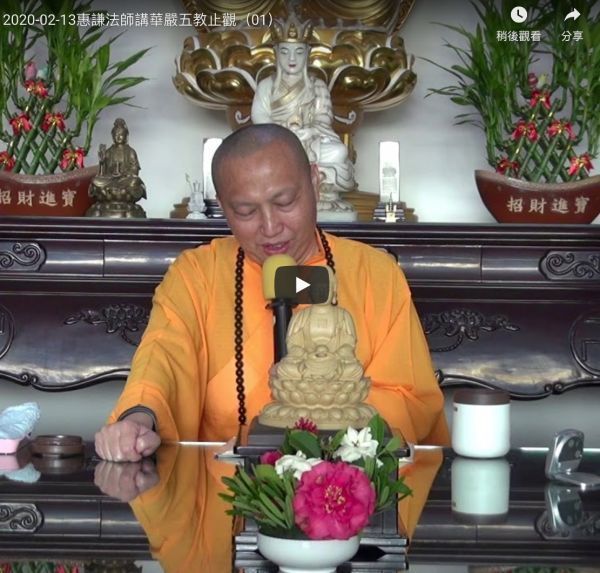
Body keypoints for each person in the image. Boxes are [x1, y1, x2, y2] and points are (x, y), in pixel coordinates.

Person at [94, 123, 449, 462]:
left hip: (346, 488)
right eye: (246, 211)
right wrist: (138, 419)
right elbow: (161, 361)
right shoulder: (197, 276)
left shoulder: (374, 274)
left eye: (284, 202)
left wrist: (313, 431)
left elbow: (408, 397)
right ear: (223, 206)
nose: (270, 227)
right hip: (227, 487)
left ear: (315, 182)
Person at [251, 13, 356, 216]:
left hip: (310, 142)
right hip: (277, 145)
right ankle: (296, 191)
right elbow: (259, 118)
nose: (292, 59)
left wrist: (310, 131)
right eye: (285, 52)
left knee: (339, 152)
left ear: (307, 54)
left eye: (298, 52)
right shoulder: (267, 86)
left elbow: (324, 118)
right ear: (276, 54)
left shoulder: (317, 85)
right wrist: (282, 133)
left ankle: (318, 193)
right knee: (255, 157)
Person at [87, 117, 146, 218]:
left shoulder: (130, 152)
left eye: (121, 134)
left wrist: (123, 174)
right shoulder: (108, 152)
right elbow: (102, 174)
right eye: (116, 135)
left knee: (134, 181)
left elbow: (135, 171)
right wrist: (102, 162)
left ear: (126, 136)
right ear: (112, 136)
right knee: (95, 180)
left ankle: (115, 195)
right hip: (110, 180)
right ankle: (112, 195)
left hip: (124, 181)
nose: (118, 137)